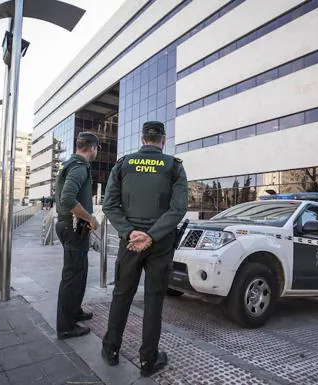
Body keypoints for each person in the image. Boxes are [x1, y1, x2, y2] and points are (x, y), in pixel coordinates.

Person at [101, 121, 188, 377]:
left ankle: (111, 350)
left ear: (142, 139)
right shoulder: (174, 167)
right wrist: (152, 236)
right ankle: (148, 360)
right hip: (160, 244)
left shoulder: (124, 164)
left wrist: (130, 232)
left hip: (130, 243)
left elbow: (110, 205)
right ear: (163, 140)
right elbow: (178, 209)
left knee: (122, 295)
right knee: (153, 301)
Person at [54, 131, 101, 340]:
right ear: (92, 147)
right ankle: (65, 326)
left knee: (79, 272)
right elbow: (67, 198)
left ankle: (74, 312)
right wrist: (90, 218)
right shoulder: (79, 167)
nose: (96, 152)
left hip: (72, 227)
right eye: (97, 148)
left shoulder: (69, 164)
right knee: (72, 277)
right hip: (73, 227)